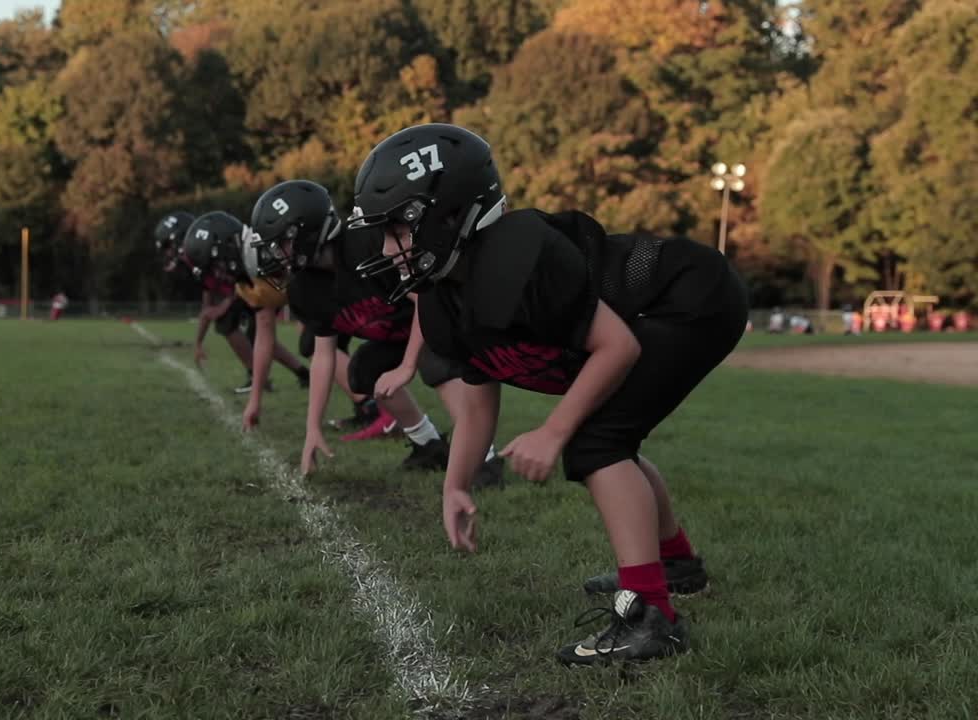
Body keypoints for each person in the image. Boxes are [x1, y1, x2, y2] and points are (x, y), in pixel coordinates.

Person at [351, 123, 748, 665]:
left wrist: (555, 430)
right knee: (612, 440)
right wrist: (456, 485)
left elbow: (617, 347)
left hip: (688, 298)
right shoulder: (445, 301)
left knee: (597, 441)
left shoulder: (515, 257)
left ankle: (650, 618)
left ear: (447, 216)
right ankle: (676, 565)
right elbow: (478, 399)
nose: (385, 247)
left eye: (397, 227)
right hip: (648, 318)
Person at [245, 179, 504, 485]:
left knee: (436, 361)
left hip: (434, 319)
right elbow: (324, 356)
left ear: (306, 230)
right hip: (397, 333)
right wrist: (312, 427)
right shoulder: (305, 287)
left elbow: (427, 300)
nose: (277, 256)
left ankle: (484, 456)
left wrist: (407, 366)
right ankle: (428, 444)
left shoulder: (366, 244)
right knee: (363, 371)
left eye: (281, 243)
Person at [183, 211, 310, 414]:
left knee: (314, 342)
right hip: (315, 303)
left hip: (339, 296)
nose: (220, 272)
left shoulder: (261, 254)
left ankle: (365, 406)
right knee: (306, 342)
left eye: (218, 265)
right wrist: (255, 400)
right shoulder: (248, 270)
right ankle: (304, 376)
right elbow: (264, 329)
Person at [156, 211, 257, 390]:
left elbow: (238, 275)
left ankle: (258, 378)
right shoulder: (197, 261)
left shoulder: (205, 254)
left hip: (254, 287)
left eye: (169, 246)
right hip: (248, 290)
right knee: (258, 334)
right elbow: (207, 305)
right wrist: (198, 343)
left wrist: (223, 306)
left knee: (232, 324)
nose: (168, 252)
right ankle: (300, 373)